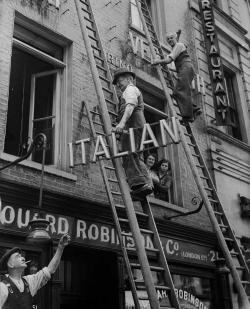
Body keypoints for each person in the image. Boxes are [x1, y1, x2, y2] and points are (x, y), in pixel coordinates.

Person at [0, 233, 70, 309]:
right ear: (10, 264)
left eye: (21, 256)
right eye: (18, 257)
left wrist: (60, 248)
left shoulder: (29, 282)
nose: (23, 258)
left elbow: (50, 270)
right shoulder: (2, 286)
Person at [113, 68, 153, 199]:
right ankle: (146, 184)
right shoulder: (127, 92)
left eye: (119, 81)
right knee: (136, 155)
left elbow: (130, 107)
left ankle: (139, 184)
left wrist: (121, 124)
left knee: (129, 153)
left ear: (129, 79)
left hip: (133, 126)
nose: (118, 85)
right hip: (137, 127)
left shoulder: (130, 89)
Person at [151, 32, 201, 123]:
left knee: (179, 91)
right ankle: (194, 109)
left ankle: (188, 116)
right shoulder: (176, 48)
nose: (170, 40)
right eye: (168, 39)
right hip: (185, 69)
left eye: (171, 38)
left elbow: (168, 60)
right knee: (178, 93)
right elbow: (175, 65)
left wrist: (158, 61)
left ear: (176, 38)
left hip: (186, 69)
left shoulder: (179, 45)